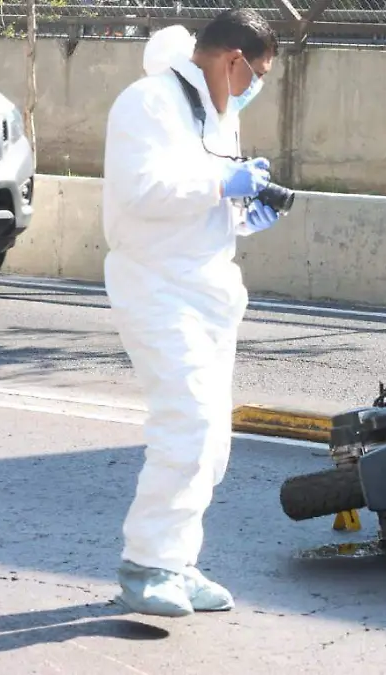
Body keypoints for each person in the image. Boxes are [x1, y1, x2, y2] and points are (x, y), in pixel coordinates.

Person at [101, 10, 281, 618]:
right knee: (189, 425)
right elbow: (141, 191)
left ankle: (176, 563)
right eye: (256, 73)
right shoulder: (146, 102)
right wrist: (221, 185)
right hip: (154, 285)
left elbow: (204, 199)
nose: (256, 86)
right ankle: (146, 565)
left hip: (207, 288)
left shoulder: (214, 111)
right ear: (232, 60)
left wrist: (243, 213)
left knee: (212, 443)